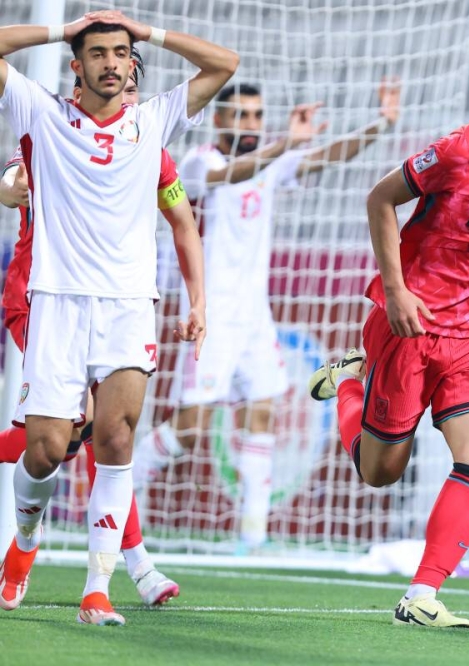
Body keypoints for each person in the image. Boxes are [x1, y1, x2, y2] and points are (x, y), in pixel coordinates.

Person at [308, 32, 469, 628]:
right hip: (408, 321)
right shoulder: (459, 149)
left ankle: (422, 595)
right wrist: (397, 290)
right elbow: (381, 199)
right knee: (381, 473)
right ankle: (350, 381)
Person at [0, 10, 237, 625]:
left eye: (121, 53)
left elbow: (224, 64)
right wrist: (64, 29)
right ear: (76, 66)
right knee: (49, 448)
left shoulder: (152, 120)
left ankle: (97, 590)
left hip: (130, 306)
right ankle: (24, 544)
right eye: (98, 53)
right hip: (54, 300)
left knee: (115, 439)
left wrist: (143, 29)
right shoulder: (41, 112)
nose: (113, 62)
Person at [130, 80, 400, 552]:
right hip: (209, 314)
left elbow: (326, 156)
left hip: (254, 315)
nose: (251, 124)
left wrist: (382, 125)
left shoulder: (272, 164)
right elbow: (229, 175)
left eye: (257, 115)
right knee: (191, 429)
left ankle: (251, 537)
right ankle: (119, 490)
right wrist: (285, 145)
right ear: (220, 120)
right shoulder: (200, 161)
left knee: (262, 411)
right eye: (241, 115)